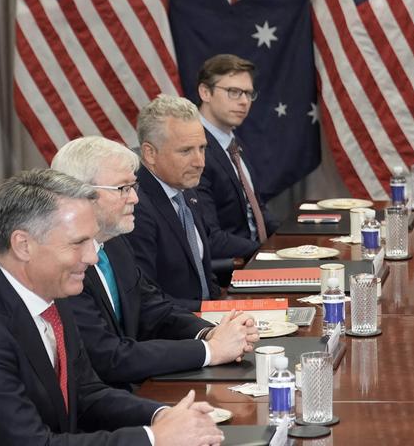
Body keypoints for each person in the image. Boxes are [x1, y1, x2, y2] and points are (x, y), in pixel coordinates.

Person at [0, 169, 223, 446]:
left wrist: (162, 414)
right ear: (23, 245)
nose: (93, 257)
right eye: (77, 243)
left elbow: (86, 393)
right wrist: (154, 438)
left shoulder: (51, 293)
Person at [51, 136, 259, 390]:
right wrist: (209, 350)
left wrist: (210, 332)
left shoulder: (114, 243)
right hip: (101, 406)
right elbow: (109, 357)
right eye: (122, 189)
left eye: (133, 187)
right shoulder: (63, 265)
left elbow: (153, 308)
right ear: (80, 194)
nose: (135, 199)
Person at [127, 94, 219, 311]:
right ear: (150, 153)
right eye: (186, 151)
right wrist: (213, 313)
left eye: (202, 148)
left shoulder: (184, 189)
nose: (200, 162)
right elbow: (147, 299)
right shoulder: (135, 206)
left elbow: (204, 274)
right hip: (175, 334)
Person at [196, 54, 279, 261]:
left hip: (255, 255)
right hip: (231, 268)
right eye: (233, 92)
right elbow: (209, 237)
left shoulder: (232, 141)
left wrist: (288, 242)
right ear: (205, 92)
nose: (244, 101)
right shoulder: (195, 148)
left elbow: (257, 209)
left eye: (248, 94)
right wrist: (267, 252)